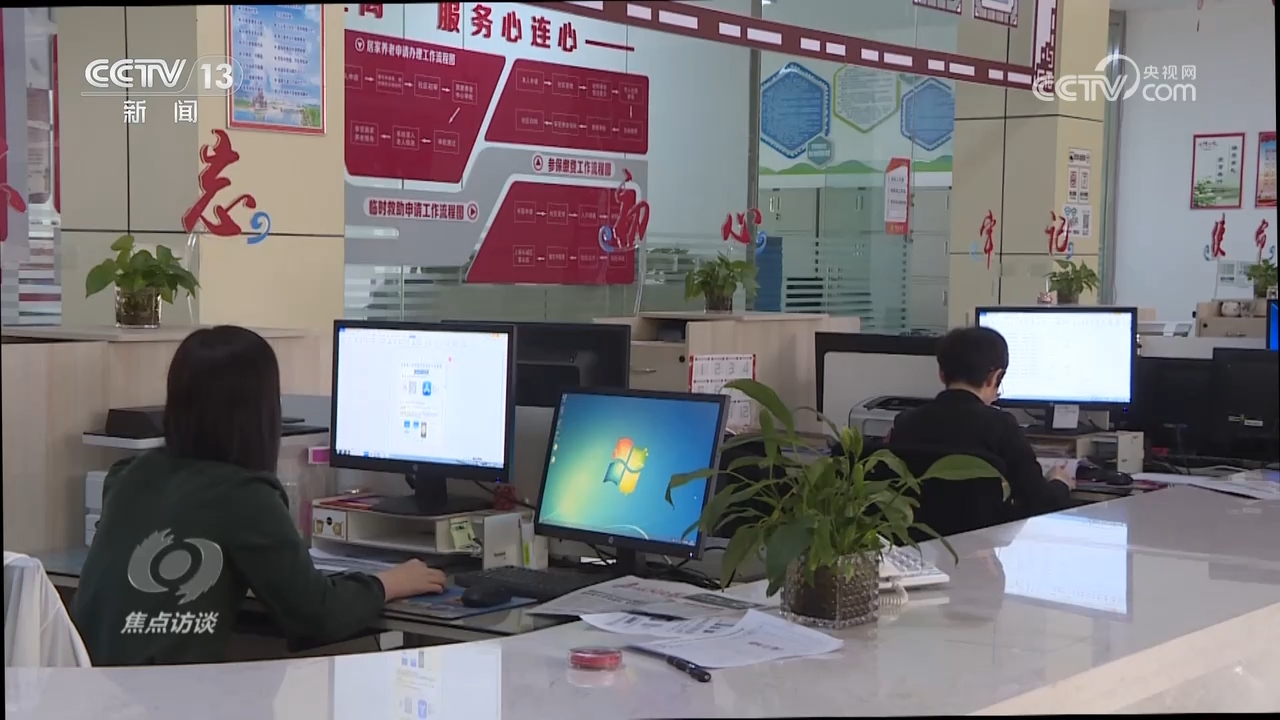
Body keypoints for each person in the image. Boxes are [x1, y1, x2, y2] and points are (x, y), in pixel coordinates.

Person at [73, 326, 448, 666]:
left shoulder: (128, 474)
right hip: (157, 700)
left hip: (85, 693)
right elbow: (316, 614)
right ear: (261, 411)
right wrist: (388, 583)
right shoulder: (243, 495)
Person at [889, 326, 1074, 519]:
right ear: (995, 377)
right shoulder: (1001, 425)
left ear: (941, 373)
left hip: (919, 537)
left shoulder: (905, 422)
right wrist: (1059, 482)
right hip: (985, 537)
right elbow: (1040, 502)